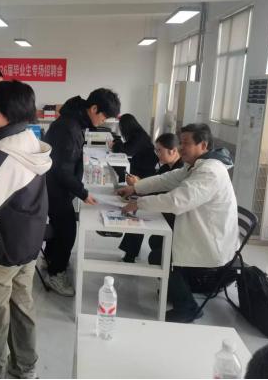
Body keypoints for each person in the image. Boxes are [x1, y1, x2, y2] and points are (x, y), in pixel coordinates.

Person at [0, 80, 52, 378]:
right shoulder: (30, 141)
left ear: (5, 111)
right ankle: (25, 367)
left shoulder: (6, 154)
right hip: (26, 243)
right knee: (21, 306)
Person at [119, 123, 239, 323]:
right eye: (180, 142)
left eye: (186, 143)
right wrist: (136, 188)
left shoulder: (210, 172)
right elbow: (166, 179)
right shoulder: (196, 165)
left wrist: (139, 203)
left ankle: (188, 308)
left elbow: (177, 201)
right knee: (157, 241)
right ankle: (176, 287)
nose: (181, 148)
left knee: (159, 255)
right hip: (202, 233)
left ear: (203, 145)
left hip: (211, 243)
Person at [43, 88, 121, 296]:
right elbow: (61, 169)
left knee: (60, 226)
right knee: (67, 230)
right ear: (94, 108)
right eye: (104, 116)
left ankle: (51, 260)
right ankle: (56, 273)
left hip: (59, 185)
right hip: (55, 187)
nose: (103, 121)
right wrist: (83, 193)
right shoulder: (69, 127)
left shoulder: (75, 121)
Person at [118, 133, 184, 264]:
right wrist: (136, 186)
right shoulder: (166, 167)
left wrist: (138, 186)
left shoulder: (181, 169)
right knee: (139, 211)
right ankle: (130, 254)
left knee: (140, 214)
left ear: (173, 151)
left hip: (173, 213)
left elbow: (166, 195)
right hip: (163, 206)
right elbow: (155, 184)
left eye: (160, 150)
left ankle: (130, 255)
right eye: (156, 150)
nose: (157, 154)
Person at [110, 113, 157, 179]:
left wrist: (114, 145)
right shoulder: (136, 133)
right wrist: (116, 142)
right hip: (140, 163)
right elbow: (126, 146)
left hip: (144, 169)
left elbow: (127, 151)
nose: (121, 129)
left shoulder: (139, 136)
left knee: (117, 169)